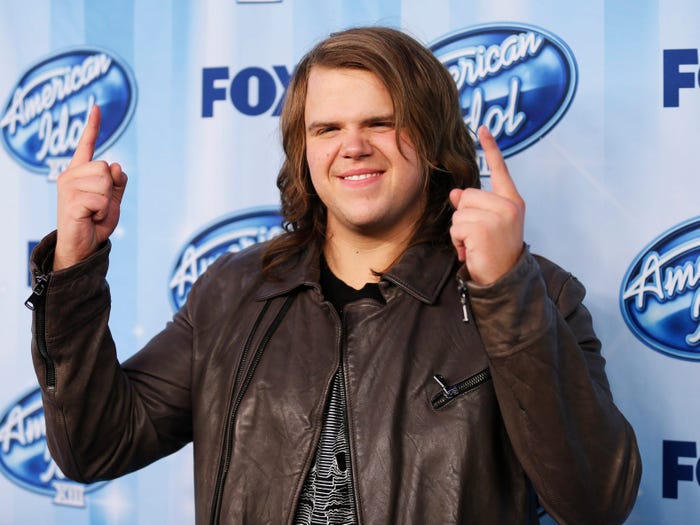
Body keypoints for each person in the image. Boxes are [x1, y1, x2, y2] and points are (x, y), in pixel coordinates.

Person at [28, 26, 641, 524]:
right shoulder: (232, 291)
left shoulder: (537, 292)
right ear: (304, 150)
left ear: (431, 140)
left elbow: (594, 502)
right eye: (327, 128)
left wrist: (506, 291)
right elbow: (95, 446)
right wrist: (73, 266)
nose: (353, 146)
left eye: (380, 122)